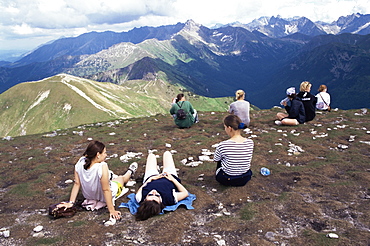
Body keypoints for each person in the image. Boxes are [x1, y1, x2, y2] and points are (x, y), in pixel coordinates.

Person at [57, 141, 138, 220]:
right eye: (104, 153)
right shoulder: (102, 166)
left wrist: (71, 202)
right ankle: (130, 172)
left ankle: (112, 176)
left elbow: (77, 183)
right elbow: (106, 190)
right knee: (121, 178)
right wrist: (112, 210)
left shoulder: (80, 162)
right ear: (98, 155)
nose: (106, 155)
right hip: (104, 195)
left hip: (89, 196)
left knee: (110, 177)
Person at [135, 151, 189, 221]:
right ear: (161, 201)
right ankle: (159, 169)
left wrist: (150, 179)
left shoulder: (140, 197)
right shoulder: (170, 198)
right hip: (169, 176)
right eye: (157, 195)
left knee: (151, 156)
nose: (154, 192)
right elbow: (185, 193)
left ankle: (156, 169)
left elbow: (142, 188)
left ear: (145, 199)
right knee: (167, 153)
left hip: (151, 177)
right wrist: (172, 179)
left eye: (150, 194)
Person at [213, 115, 254, 186]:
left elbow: (216, 159)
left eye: (225, 127)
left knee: (221, 159)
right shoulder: (250, 142)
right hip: (245, 178)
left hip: (227, 180)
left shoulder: (223, 145)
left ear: (229, 128)